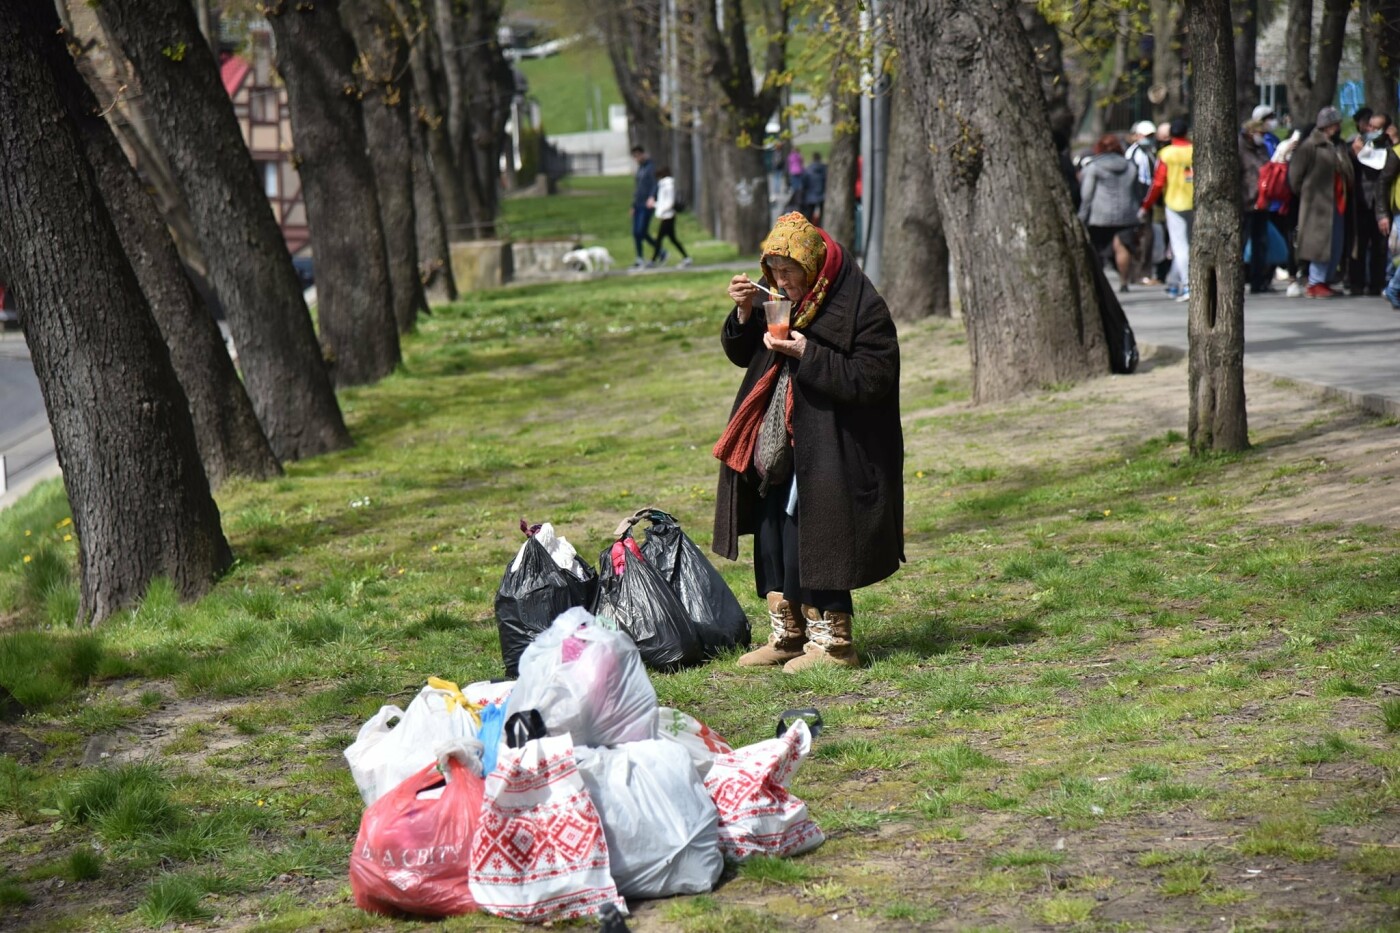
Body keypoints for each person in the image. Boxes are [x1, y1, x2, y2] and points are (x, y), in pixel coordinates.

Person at [714, 212, 903, 673]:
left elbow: (874, 377)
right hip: (780, 436)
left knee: (817, 531)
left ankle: (835, 644)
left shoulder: (857, 304)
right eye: (772, 273)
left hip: (837, 444)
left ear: (813, 266)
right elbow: (747, 354)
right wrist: (743, 313)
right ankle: (790, 634)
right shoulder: (779, 300)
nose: (780, 282)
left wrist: (807, 354)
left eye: (789, 273)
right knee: (774, 526)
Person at [1289, 106, 1354, 299]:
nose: (1338, 127)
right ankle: (1315, 282)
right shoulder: (1310, 146)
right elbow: (1295, 176)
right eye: (1335, 124)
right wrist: (1308, 194)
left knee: (1335, 242)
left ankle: (1324, 279)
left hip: (1338, 201)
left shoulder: (1339, 146)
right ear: (1326, 126)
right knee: (1319, 244)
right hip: (1317, 205)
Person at [1139, 115, 1194, 302]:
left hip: (1174, 202)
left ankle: (1187, 285)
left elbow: (1157, 182)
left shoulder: (1166, 154)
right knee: (1187, 244)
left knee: (1179, 247)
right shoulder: (1195, 150)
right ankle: (1173, 283)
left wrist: (1146, 205)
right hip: (1195, 202)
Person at [1079, 133, 1141, 292]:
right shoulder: (1131, 166)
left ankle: (1100, 284)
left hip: (1100, 216)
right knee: (1122, 247)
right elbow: (1137, 191)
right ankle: (1123, 281)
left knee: (1098, 250)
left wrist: (1082, 216)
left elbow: (1087, 195)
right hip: (1126, 214)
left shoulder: (1094, 167)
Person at [1350, 113, 1399, 296]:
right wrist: (1355, 154)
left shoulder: (1390, 147)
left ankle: (1376, 284)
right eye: (1369, 126)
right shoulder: (1358, 144)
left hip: (1382, 203)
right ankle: (1356, 283)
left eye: (1376, 127)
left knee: (1380, 246)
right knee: (1359, 245)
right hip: (1362, 200)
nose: (1370, 130)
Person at [1239, 119, 1275, 293]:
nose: (1262, 137)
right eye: (1260, 133)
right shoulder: (1239, 148)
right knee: (1241, 242)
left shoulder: (1261, 149)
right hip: (1245, 203)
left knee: (1260, 243)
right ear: (1250, 133)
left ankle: (1258, 281)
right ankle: (1238, 280)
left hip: (1262, 203)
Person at [1124, 120, 1159, 283]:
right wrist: (1140, 202)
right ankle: (1139, 274)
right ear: (1138, 136)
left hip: (1146, 200)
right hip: (1139, 200)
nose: (1150, 138)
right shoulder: (1134, 154)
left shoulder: (1148, 152)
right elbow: (1136, 180)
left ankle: (1143, 272)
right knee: (1142, 237)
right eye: (1147, 136)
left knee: (1147, 236)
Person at [650, 165, 692, 268]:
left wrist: (660, 211)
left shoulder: (667, 185)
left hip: (668, 216)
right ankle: (686, 257)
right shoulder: (663, 185)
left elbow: (669, 201)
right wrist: (656, 205)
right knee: (672, 239)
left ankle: (653, 260)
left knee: (659, 239)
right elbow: (662, 201)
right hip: (666, 215)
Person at [629, 145, 659, 269]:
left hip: (647, 205)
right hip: (638, 204)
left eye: (638, 155)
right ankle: (640, 257)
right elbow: (638, 189)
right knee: (636, 232)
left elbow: (655, 184)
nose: (636, 158)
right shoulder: (640, 169)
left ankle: (660, 251)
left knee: (641, 231)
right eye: (634, 157)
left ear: (643, 154)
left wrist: (652, 197)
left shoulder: (650, 167)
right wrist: (633, 205)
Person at [802, 152, 827, 225]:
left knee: (809, 214)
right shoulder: (824, 168)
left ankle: (808, 228)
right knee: (822, 215)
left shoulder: (808, 169)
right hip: (822, 195)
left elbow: (804, 182)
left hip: (810, 195)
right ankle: (821, 227)